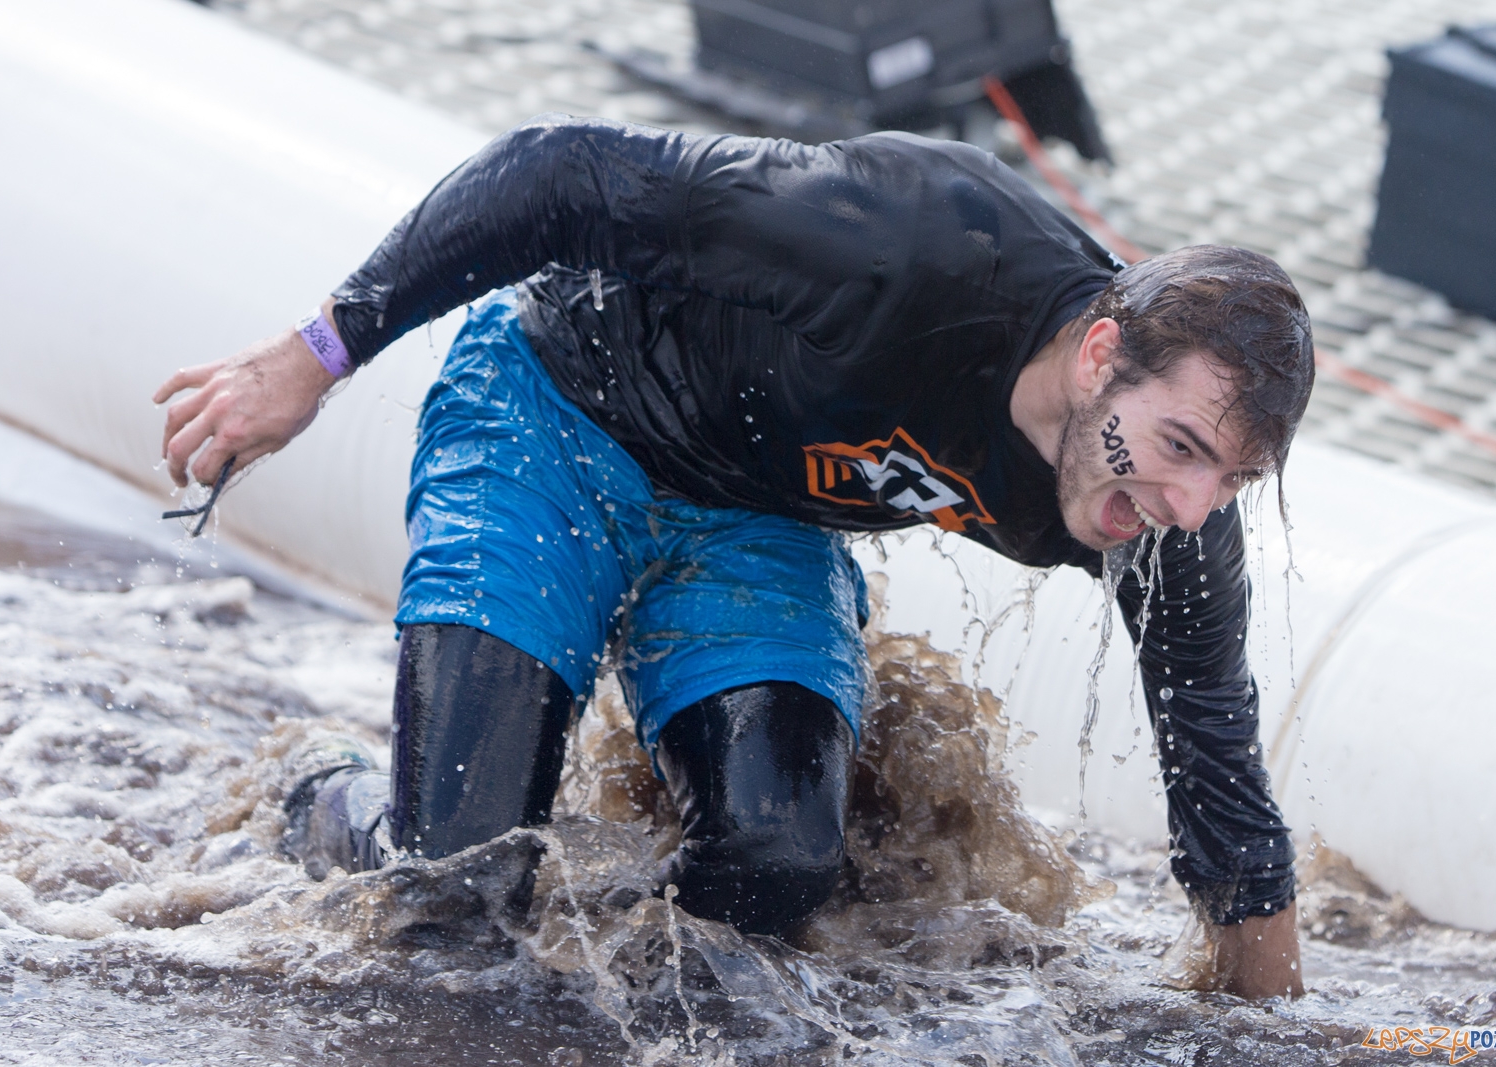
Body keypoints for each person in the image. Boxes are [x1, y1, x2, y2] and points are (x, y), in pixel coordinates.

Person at [153, 115, 1313, 998]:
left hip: (755, 512)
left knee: (773, 868)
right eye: (1179, 447)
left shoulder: (1167, 522)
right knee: (455, 897)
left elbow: (1216, 764)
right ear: (1100, 353)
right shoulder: (907, 244)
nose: (1186, 505)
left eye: (1230, 479)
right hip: (559, 418)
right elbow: (559, 174)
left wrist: (1274, 1024)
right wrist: (310, 358)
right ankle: (319, 788)